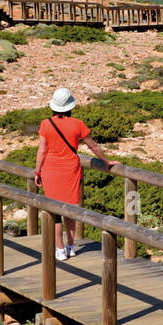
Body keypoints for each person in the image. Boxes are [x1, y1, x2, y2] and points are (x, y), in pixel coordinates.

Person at [35, 88, 110, 261]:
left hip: (50, 170)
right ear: (70, 106)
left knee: (54, 212)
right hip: (71, 169)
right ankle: (71, 246)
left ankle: (60, 250)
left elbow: (41, 151)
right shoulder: (78, 124)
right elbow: (93, 146)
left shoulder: (46, 124)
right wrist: (106, 162)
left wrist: (38, 171)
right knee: (70, 209)